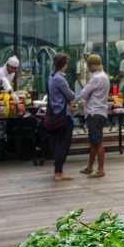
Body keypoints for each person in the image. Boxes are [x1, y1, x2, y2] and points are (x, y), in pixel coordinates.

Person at [76, 54, 110, 179]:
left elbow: (84, 93)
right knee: (93, 142)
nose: (88, 68)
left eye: (89, 65)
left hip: (94, 113)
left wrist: (73, 101)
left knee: (98, 142)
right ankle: (90, 167)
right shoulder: (104, 76)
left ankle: (100, 170)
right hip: (100, 112)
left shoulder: (96, 77)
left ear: (93, 65)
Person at [47, 53, 75, 181]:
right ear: (63, 65)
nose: (67, 66)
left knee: (59, 143)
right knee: (64, 143)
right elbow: (70, 95)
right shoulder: (60, 79)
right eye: (66, 63)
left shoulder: (51, 77)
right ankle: (58, 172)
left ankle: (58, 170)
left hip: (56, 113)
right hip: (63, 115)